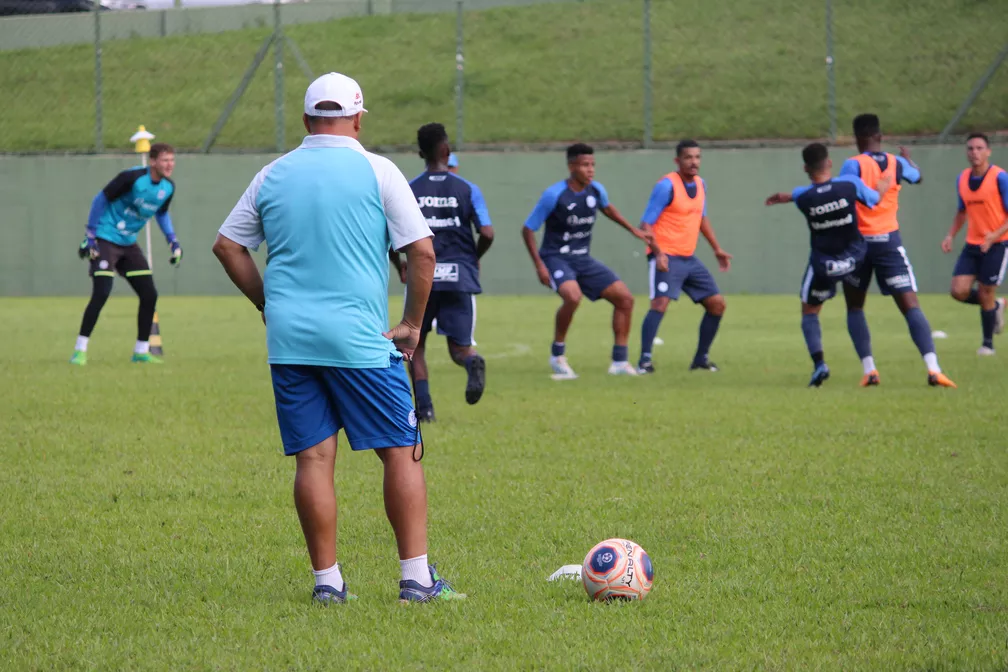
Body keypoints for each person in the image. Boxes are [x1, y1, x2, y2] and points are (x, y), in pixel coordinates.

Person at [212, 72, 464, 605]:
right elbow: (422, 253)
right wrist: (414, 326)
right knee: (401, 452)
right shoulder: (378, 170)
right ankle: (416, 581)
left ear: (306, 121)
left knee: (314, 461)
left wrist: (266, 305)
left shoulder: (272, 174)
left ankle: (328, 586)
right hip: (363, 341)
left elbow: (228, 247)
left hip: (291, 343)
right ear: (357, 118)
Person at [766, 142, 898, 387]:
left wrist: (786, 196)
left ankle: (819, 364)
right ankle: (869, 366)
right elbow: (873, 200)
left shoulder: (803, 198)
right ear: (829, 162)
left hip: (824, 264)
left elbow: (805, 193)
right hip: (853, 260)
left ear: (806, 168)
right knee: (855, 308)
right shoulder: (849, 185)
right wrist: (881, 188)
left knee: (810, 311)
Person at [837, 113, 955, 387]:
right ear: (880, 136)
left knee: (855, 306)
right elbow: (918, 177)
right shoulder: (896, 162)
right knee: (910, 305)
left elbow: (844, 195)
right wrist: (909, 159)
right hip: (889, 243)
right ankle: (934, 369)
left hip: (858, 246)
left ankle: (870, 370)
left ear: (857, 138)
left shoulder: (852, 165)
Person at [390, 122, 493, 423]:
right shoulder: (468, 189)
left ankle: (425, 408)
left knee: (415, 345)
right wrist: (473, 258)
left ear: (420, 153)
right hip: (459, 274)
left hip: (423, 277)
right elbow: (487, 232)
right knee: (460, 348)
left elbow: (391, 240)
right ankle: (472, 362)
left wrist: (402, 267)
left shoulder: (410, 189)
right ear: (447, 151)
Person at [521, 143, 652, 379]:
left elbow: (609, 210)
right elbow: (528, 229)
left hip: (583, 260)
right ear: (571, 166)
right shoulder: (554, 195)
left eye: (592, 165)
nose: (590, 170)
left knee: (625, 299)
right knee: (573, 297)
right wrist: (539, 265)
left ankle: (620, 362)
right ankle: (558, 356)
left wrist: (634, 230)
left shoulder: (596, 190)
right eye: (584, 165)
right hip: (556, 258)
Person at [69, 143, 183, 365]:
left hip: (128, 243)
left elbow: (161, 214)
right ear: (152, 161)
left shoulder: (168, 187)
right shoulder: (131, 178)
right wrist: (90, 235)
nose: (169, 164)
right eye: (164, 160)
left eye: (172, 160)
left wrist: (173, 240)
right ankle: (79, 349)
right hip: (105, 237)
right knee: (102, 292)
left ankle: (141, 351)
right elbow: (100, 199)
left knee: (149, 294)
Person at [637, 139, 732, 374]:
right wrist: (657, 254)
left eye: (697, 157)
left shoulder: (701, 184)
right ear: (677, 160)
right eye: (688, 157)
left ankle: (700, 359)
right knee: (660, 303)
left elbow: (701, 218)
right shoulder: (666, 186)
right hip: (666, 256)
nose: (694, 162)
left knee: (717, 305)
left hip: (688, 258)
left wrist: (716, 249)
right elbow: (645, 225)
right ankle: (644, 362)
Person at [942, 132, 1008, 356]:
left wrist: (993, 235)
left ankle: (987, 344)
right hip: (973, 244)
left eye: (980, 148)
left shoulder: (1000, 177)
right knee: (958, 291)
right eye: (970, 148)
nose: (975, 153)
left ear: (988, 151)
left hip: (998, 243)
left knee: (985, 291)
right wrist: (950, 235)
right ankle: (996, 307)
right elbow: (962, 211)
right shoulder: (962, 179)